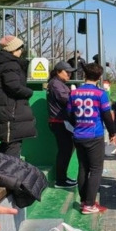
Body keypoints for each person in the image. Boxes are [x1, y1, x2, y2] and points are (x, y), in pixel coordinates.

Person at [67, 63, 116, 214]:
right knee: (96, 169)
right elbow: (107, 116)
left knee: (83, 167)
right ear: (99, 77)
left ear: (84, 75)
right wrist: (113, 132)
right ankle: (89, 204)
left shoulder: (74, 93)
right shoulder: (100, 94)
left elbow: (69, 114)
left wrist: (79, 125)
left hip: (78, 134)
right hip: (94, 135)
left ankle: (84, 201)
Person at [47, 61, 78, 189]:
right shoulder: (56, 84)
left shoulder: (59, 84)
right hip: (60, 122)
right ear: (58, 71)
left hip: (62, 122)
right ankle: (60, 180)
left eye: (70, 72)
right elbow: (66, 100)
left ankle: (62, 177)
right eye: (67, 72)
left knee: (66, 150)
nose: (69, 74)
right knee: (65, 151)